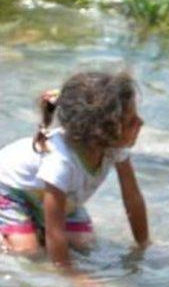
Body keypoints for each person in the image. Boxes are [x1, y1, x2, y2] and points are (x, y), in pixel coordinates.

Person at [0, 71, 148, 272]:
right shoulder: (60, 162)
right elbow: (55, 230)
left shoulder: (115, 150)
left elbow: (132, 199)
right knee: (28, 252)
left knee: (83, 244)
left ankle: (31, 225)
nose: (141, 123)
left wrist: (143, 245)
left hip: (53, 198)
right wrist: (69, 273)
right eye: (132, 121)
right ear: (102, 131)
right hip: (10, 190)